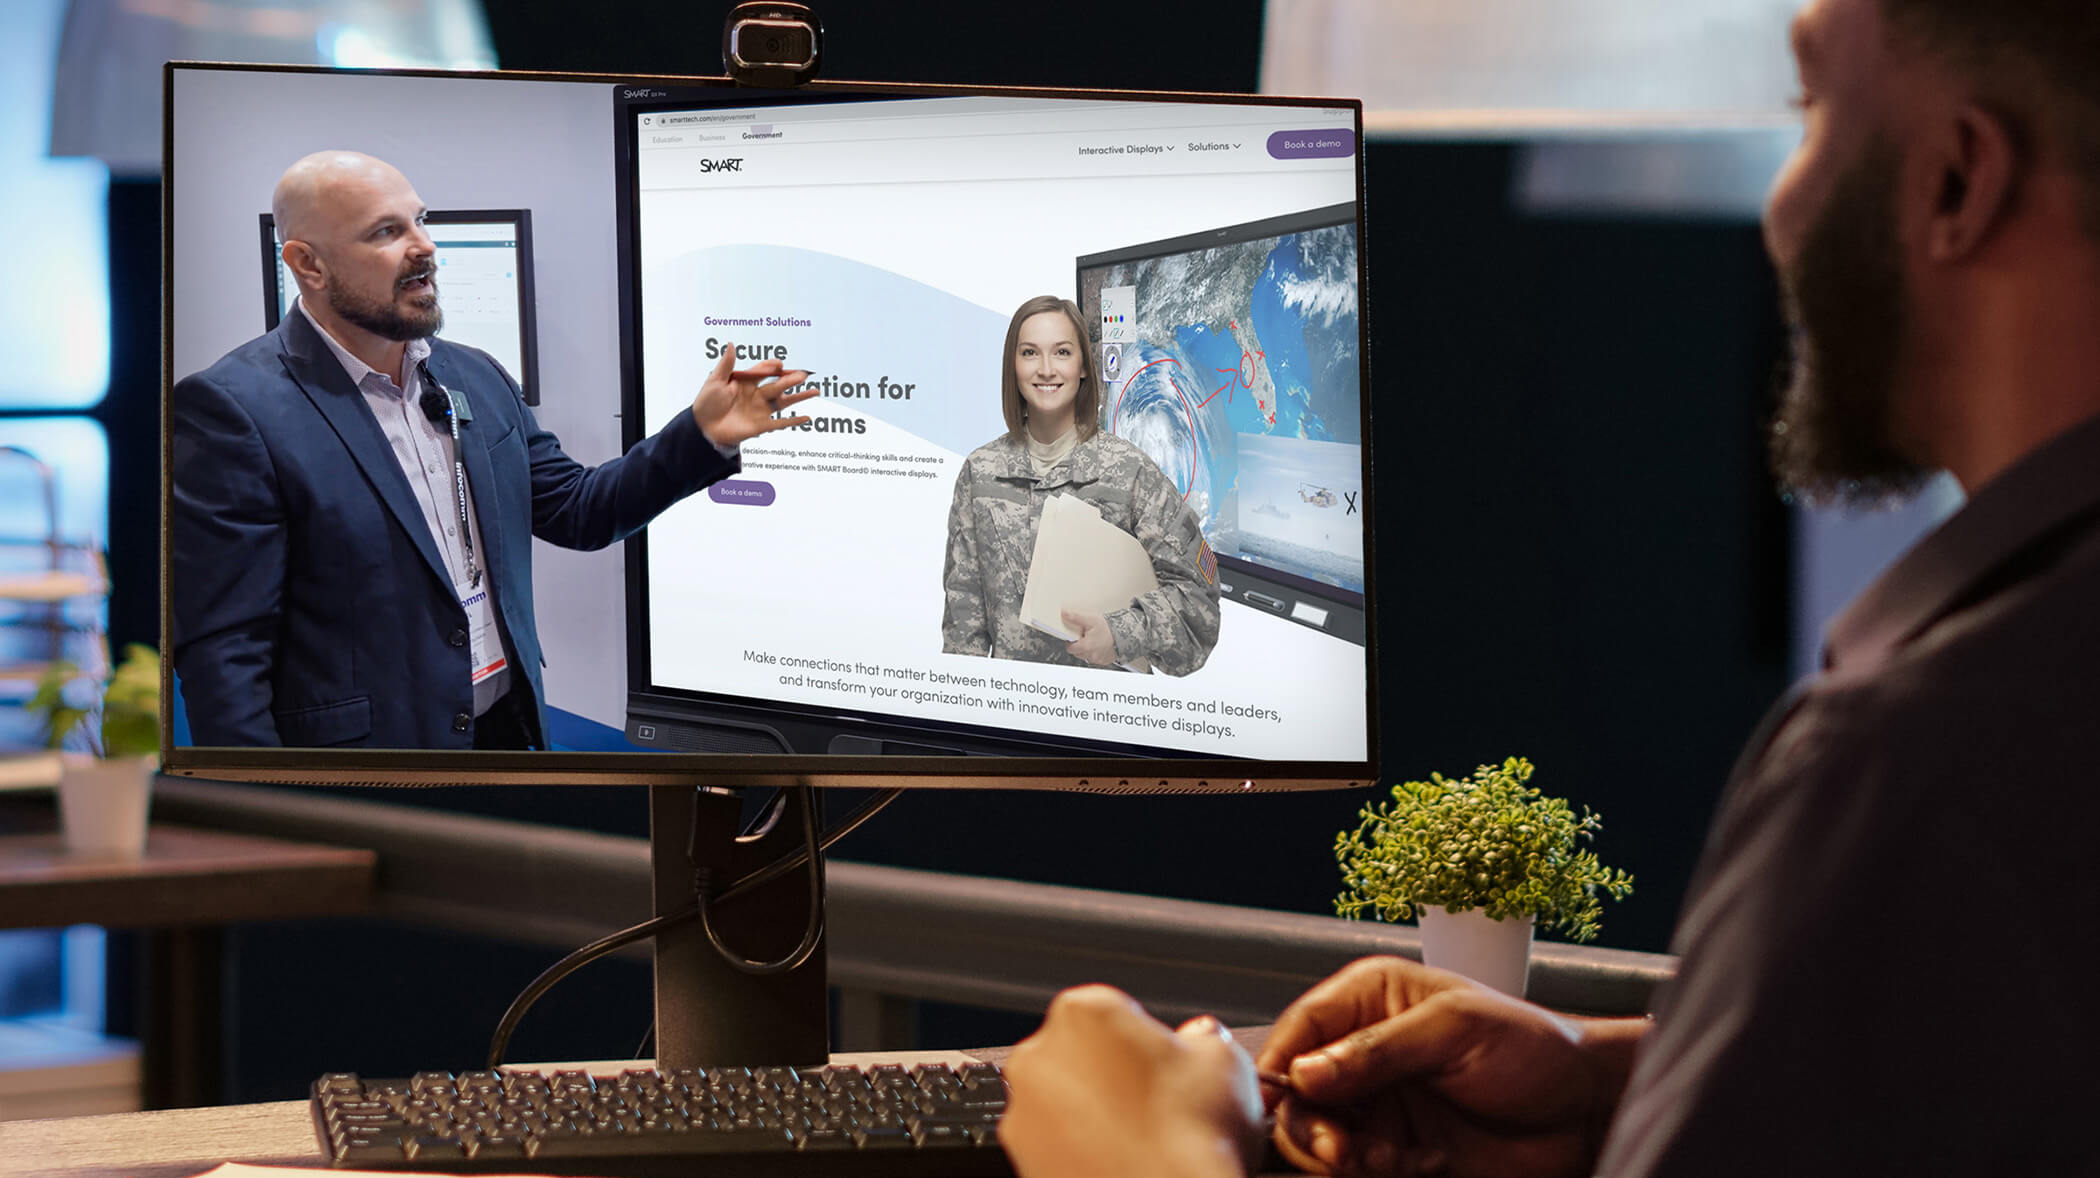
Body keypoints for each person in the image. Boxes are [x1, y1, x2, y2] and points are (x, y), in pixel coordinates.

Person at [999, 0, 2100, 1172]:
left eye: (1810, 111)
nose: (1781, 210)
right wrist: (1629, 1082)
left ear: (1956, 180)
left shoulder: (1920, 766)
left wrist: (1138, 1149)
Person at [171, 150, 817, 749]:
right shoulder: (236, 410)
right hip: (373, 769)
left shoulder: (473, 374)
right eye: (385, 233)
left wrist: (698, 436)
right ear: (307, 264)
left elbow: (580, 508)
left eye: (421, 222)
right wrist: (273, 812)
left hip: (508, 733)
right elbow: (224, 656)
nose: (424, 247)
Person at [941, 294, 1221, 676]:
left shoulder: (1130, 472)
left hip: (1104, 723)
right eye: (1029, 353)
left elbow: (1199, 612)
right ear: (1013, 366)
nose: (1045, 369)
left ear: (1084, 367)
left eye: (1061, 352)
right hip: (1010, 720)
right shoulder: (981, 473)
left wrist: (1121, 632)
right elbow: (963, 626)